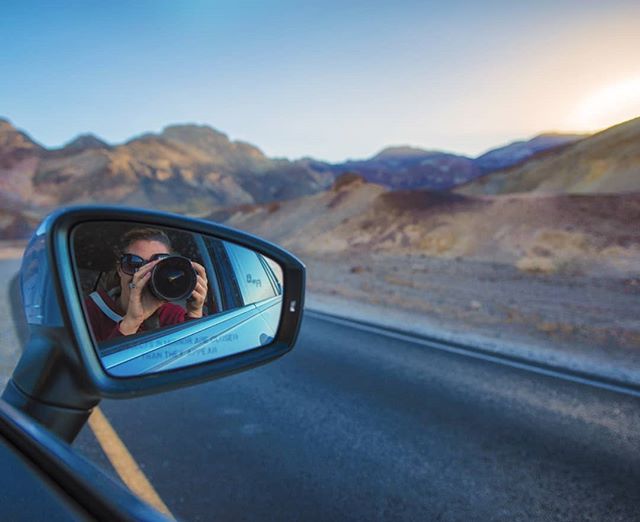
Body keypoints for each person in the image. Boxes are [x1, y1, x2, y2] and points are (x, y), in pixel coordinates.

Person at [84, 227, 208, 342]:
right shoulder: (91, 310)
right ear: (120, 269)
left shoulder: (172, 315)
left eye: (157, 266)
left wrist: (195, 312)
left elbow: (195, 354)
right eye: (134, 264)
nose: (143, 274)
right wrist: (132, 322)